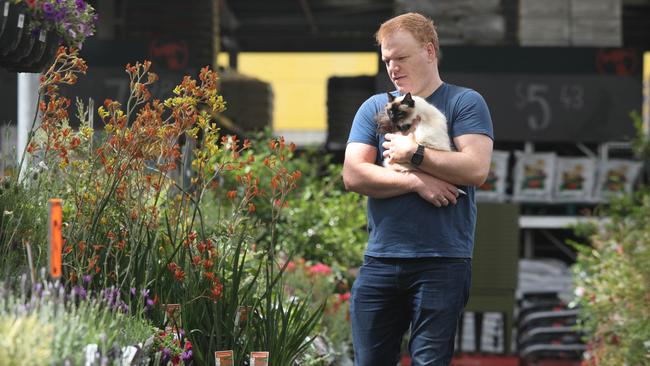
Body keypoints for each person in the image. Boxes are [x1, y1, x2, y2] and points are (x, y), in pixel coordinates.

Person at [342, 12, 494, 366]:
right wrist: (416, 180)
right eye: (387, 60)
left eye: (401, 57)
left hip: (442, 261)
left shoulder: (464, 102)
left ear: (429, 52)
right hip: (380, 259)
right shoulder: (375, 108)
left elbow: (475, 168)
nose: (393, 67)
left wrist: (414, 154)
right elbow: (354, 175)